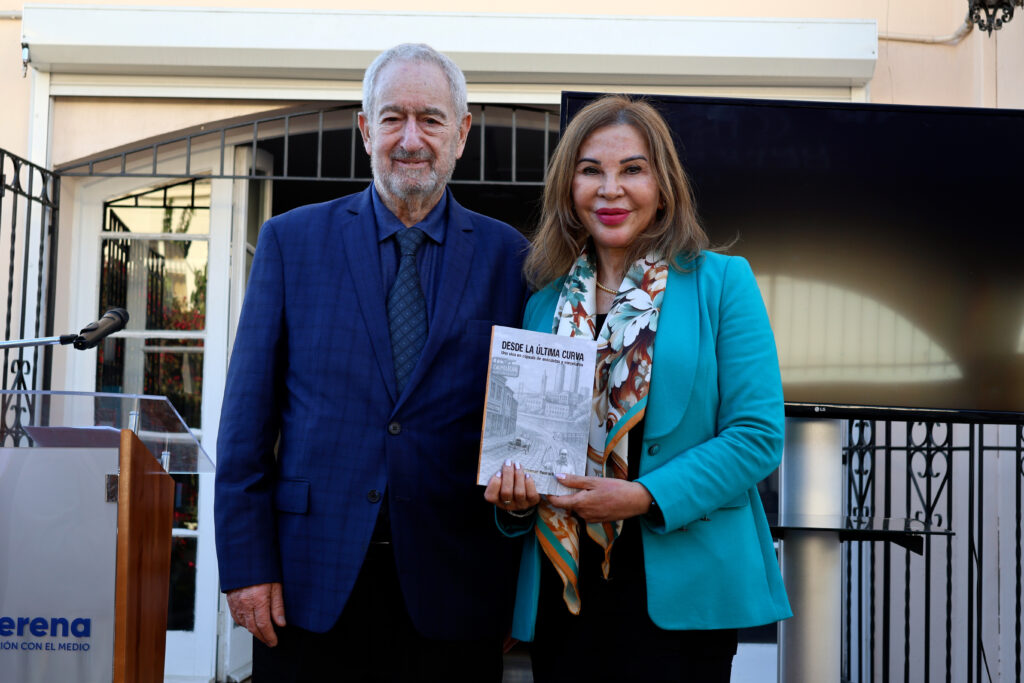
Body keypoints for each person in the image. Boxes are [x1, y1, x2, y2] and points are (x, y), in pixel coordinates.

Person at [215, 43, 530, 682]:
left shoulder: (510, 259)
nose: (410, 138)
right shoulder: (290, 242)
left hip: (455, 589)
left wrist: (510, 585)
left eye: (431, 119)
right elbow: (246, 423)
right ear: (365, 130)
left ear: (461, 133)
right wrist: (247, 567)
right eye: (392, 118)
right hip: (309, 586)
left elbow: (520, 430)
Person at [484, 95, 791, 682]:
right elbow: (526, 452)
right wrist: (515, 500)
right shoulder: (543, 302)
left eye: (633, 169)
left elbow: (756, 437)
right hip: (564, 592)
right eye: (591, 169)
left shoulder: (722, 283)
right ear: (568, 186)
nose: (610, 189)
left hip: (681, 593)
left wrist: (644, 496)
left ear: (663, 185)